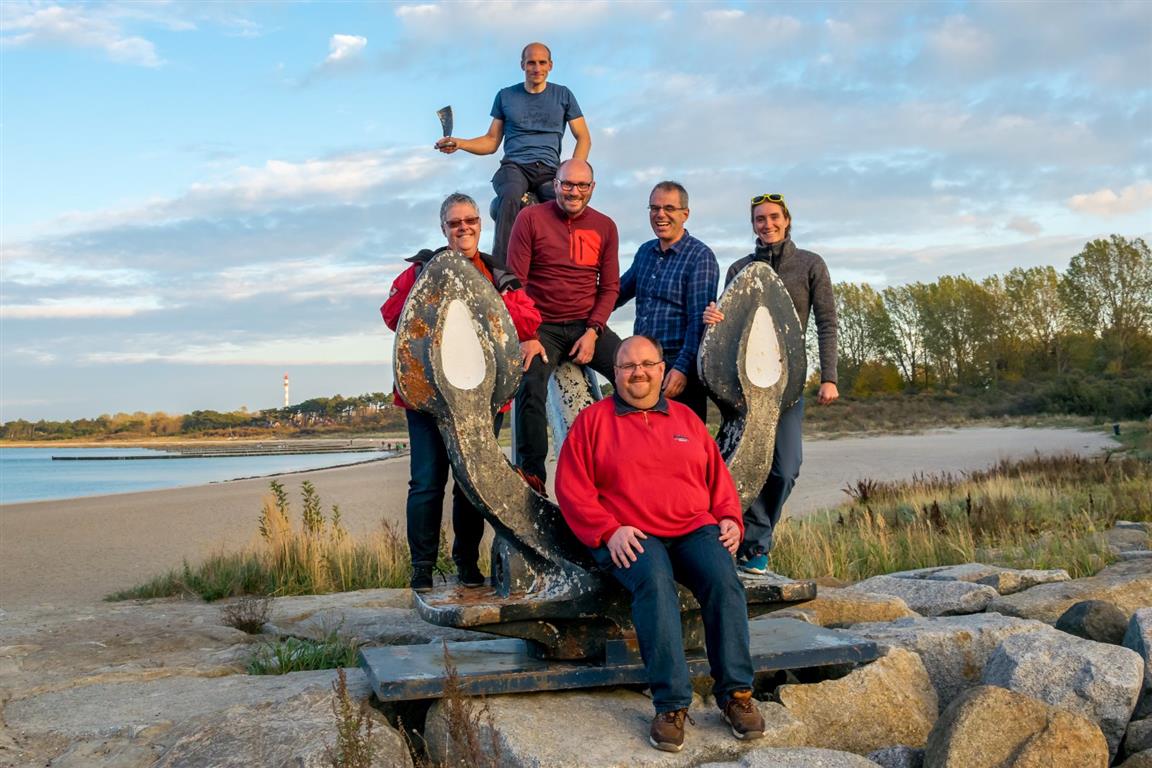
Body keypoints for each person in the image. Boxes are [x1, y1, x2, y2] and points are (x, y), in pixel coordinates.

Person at [555, 335, 766, 753]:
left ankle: (736, 696)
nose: (638, 373)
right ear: (615, 374)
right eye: (628, 366)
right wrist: (607, 530)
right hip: (630, 534)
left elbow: (717, 477)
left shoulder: (686, 421)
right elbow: (571, 489)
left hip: (692, 528)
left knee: (724, 579)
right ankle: (671, 705)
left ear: (660, 368)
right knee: (655, 582)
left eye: (647, 364)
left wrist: (728, 517)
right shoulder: (592, 423)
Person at [381, 193, 541, 592]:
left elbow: (529, 320)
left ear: (479, 225)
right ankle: (421, 568)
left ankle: (466, 565)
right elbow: (391, 316)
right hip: (425, 397)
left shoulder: (496, 273)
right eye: (455, 223)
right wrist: (424, 280)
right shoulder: (423, 269)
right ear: (443, 229)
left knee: (471, 484)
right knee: (426, 481)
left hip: (484, 399)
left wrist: (498, 299)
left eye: (470, 220)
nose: (464, 227)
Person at [703, 193, 838, 574]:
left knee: (785, 467)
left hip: (787, 385)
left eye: (774, 217)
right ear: (753, 225)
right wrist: (713, 317)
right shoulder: (739, 269)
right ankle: (735, 544)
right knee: (733, 465)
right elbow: (727, 326)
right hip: (742, 389)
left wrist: (829, 378)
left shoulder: (810, 264)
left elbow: (827, 322)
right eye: (760, 219)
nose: (767, 224)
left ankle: (755, 538)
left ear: (787, 220)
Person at [507, 158, 622, 488]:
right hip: (542, 326)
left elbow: (610, 286)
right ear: (555, 184)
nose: (574, 192)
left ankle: (635, 461)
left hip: (587, 324)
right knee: (529, 385)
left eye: (582, 185)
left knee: (633, 374)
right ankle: (533, 475)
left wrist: (593, 331)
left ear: (592, 188)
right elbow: (516, 282)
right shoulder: (530, 219)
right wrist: (527, 334)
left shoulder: (605, 226)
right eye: (567, 184)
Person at [434, 42, 591, 269]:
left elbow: (583, 137)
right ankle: (501, 267)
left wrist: (574, 171)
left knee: (562, 201)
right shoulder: (506, 96)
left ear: (550, 65)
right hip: (515, 166)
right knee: (510, 194)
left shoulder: (563, 95)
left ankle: (566, 264)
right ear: (522, 65)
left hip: (549, 169)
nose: (536, 68)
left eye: (541, 62)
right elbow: (491, 142)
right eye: (531, 63)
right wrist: (459, 143)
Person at [616, 181, 718, 422]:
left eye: (669, 208)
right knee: (641, 438)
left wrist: (682, 369)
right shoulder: (645, 252)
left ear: (685, 214)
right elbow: (617, 292)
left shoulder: (700, 257)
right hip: (642, 364)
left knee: (681, 442)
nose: (660, 214)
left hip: (677, 364)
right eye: (654, 208)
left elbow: (698, 322)